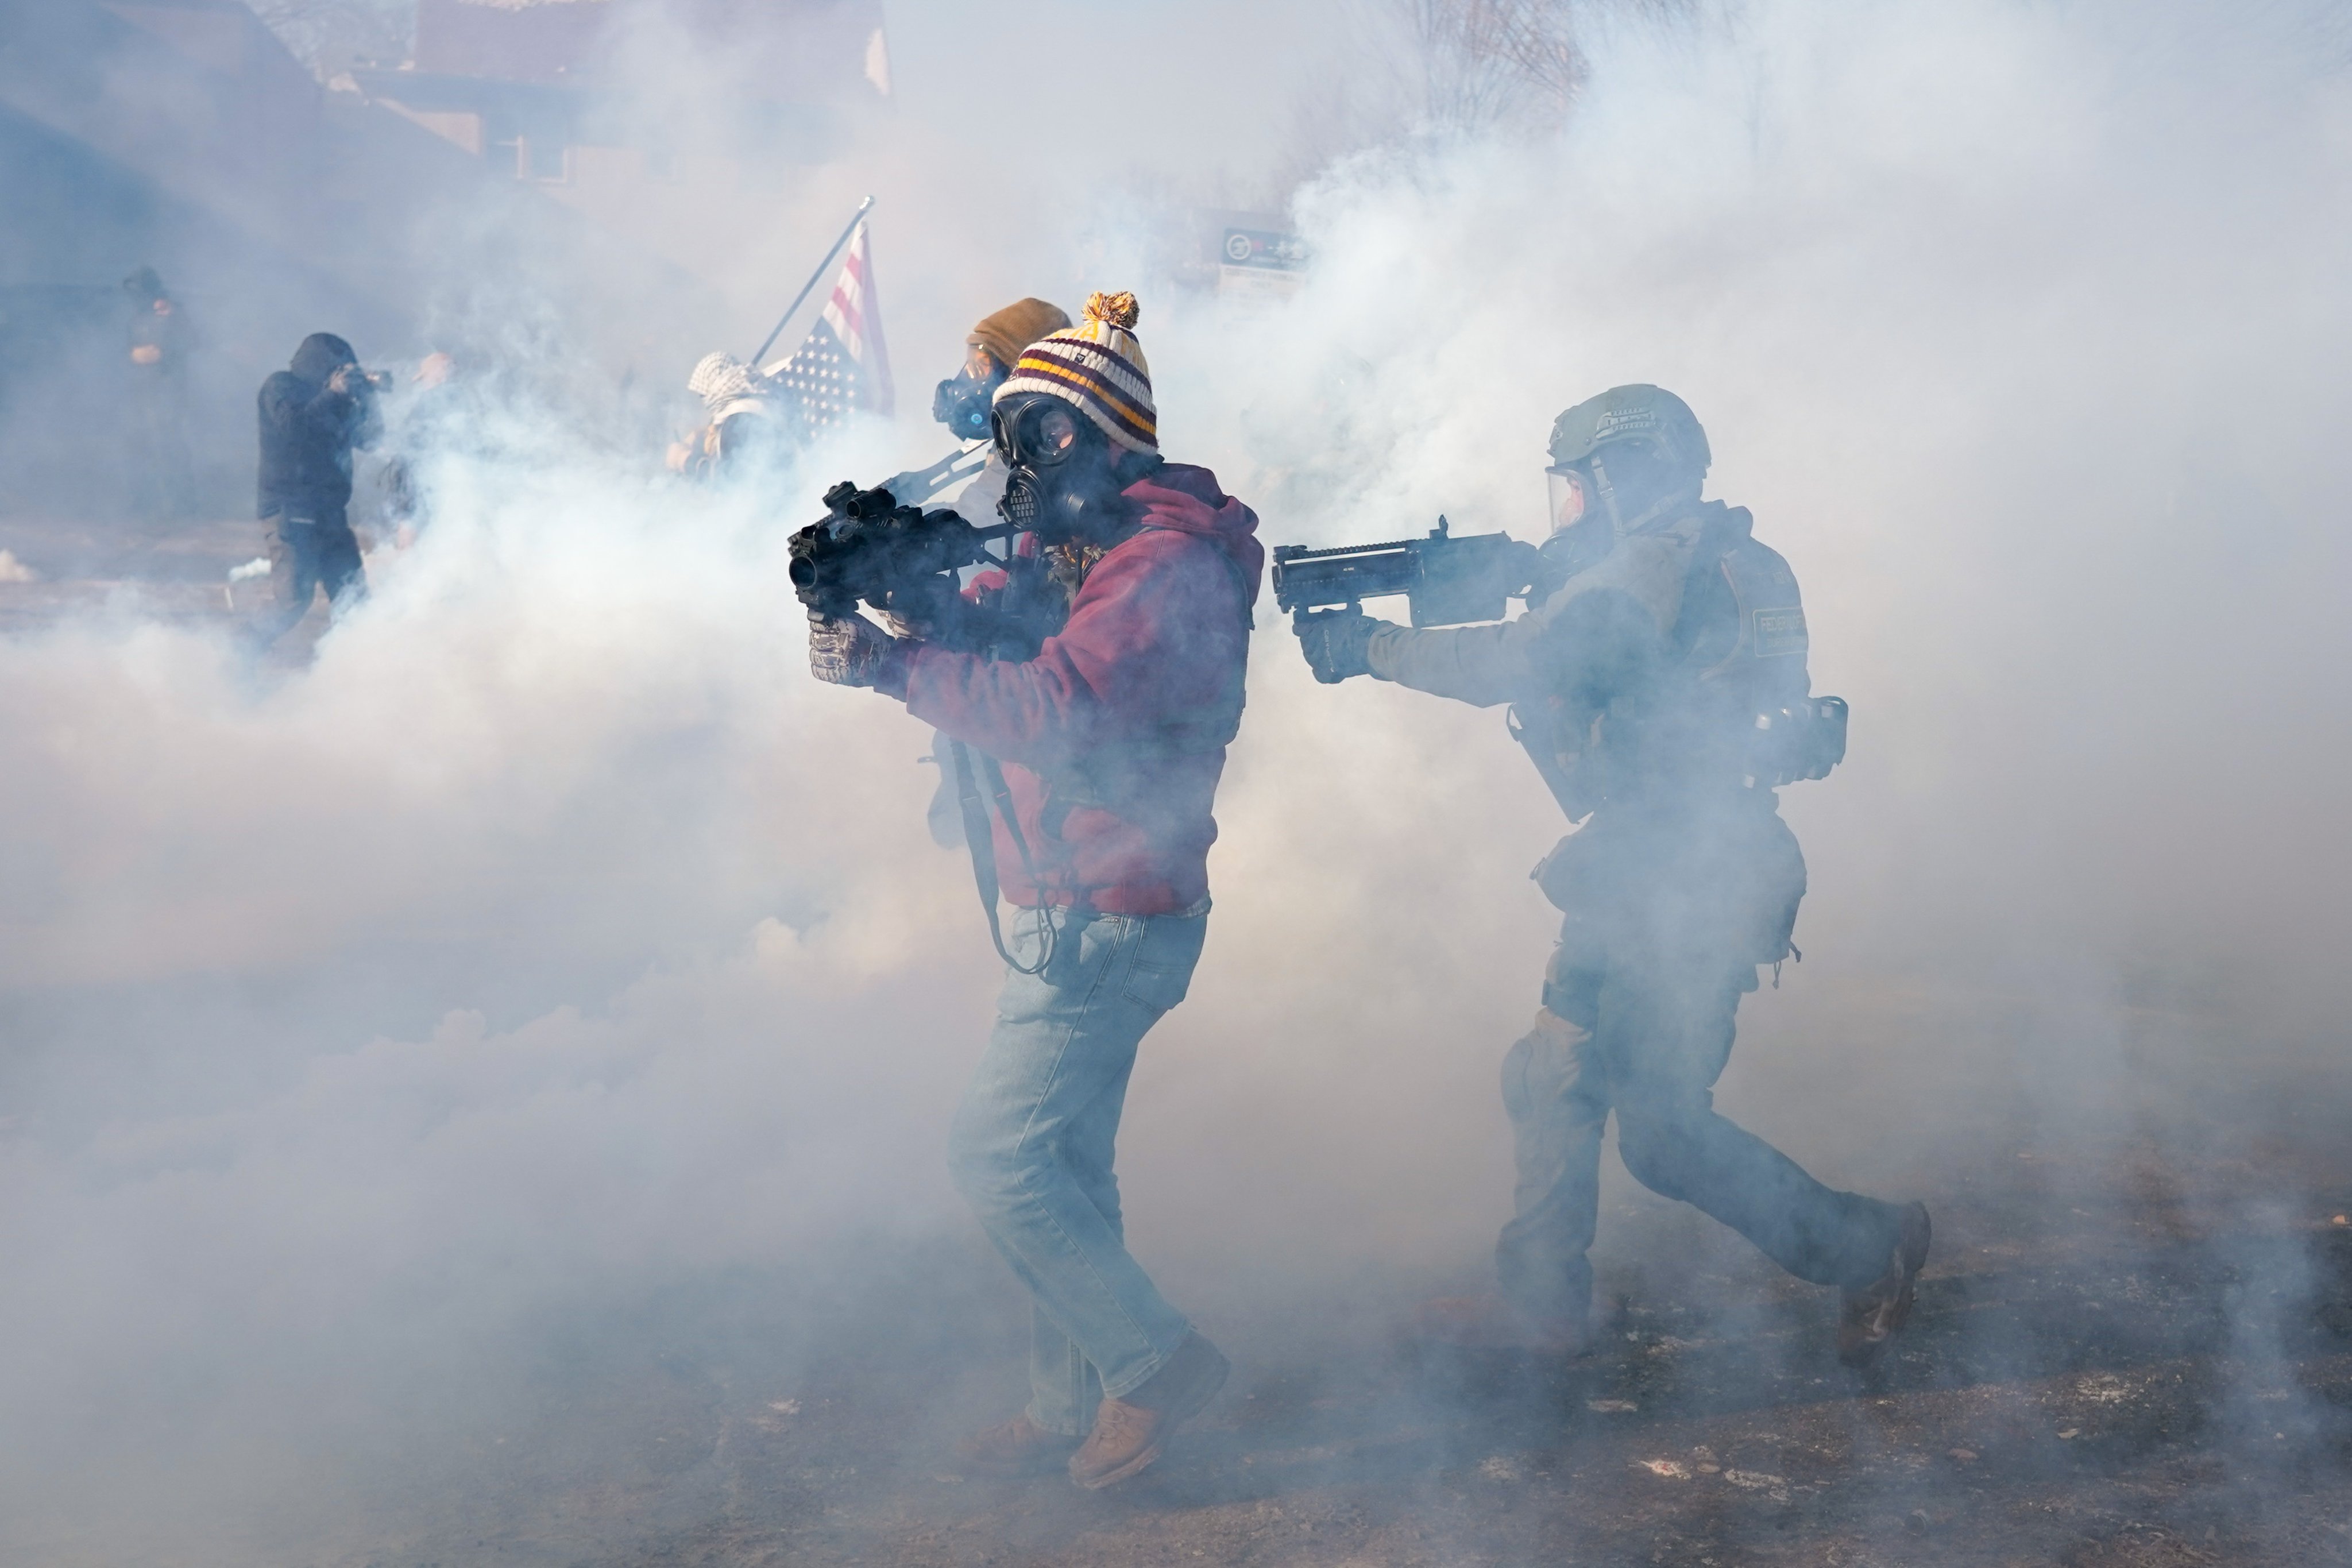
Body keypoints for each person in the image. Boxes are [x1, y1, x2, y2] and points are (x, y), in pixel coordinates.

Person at [1293, 384, 1931, 1368]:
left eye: (1578, 492)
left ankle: (1871, 1246)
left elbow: (1522, 657)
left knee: (1663, 1134)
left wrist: (1369, 646)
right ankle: (1542, 1309)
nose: (1568, 513)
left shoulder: (1656, 564)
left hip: (1690, 878)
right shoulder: (1723, 556)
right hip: (1653, 864)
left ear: (1628, 479)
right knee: (1554, 1077)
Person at [806, 292, 1262, 1486]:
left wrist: (896, 664)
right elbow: (1053, 650)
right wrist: (928, 605)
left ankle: (1153, 1368)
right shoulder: (1135, 551)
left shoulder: (1159, 564)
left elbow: (1063, 710)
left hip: (1103, 913)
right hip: (1091, 898)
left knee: (997, 1158)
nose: (1017, 471)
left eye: (1033, 442)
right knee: (1062, 1165)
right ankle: (1071, 1404)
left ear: (1085, 440)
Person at [250, 332, 380, 647]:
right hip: (290, 510)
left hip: (331, 513)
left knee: (355, 600)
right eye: (338, 368)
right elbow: (293, 428)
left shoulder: (336, 400)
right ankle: (235, 655)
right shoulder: (281, 385)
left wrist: (367, 397)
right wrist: (334, 394)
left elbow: (370, 439)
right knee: (292, 602)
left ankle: (355, 673)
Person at [928, 297, 1071, 515]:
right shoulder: (1019, 437)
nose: (968, 380)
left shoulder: (1031, 445)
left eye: (981, 367)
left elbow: (973, 519)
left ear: (1019, 374)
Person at [122, 266, 195, 520]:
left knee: (168, 447)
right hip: (141, 393)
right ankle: (141, 503)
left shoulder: (174, 312)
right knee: (139, 447)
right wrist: (134, 355)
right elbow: (125, 347)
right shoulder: (137, 318)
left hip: (167, 394)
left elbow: (195, 340)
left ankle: (177, 506)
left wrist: (170, 333)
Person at [669, 352, 780, 480]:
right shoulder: (752, 408)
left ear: (716, 387)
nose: (705, 402)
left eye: (704, 395)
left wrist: (683, 459)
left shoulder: (741, 418)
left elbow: (727, 480)